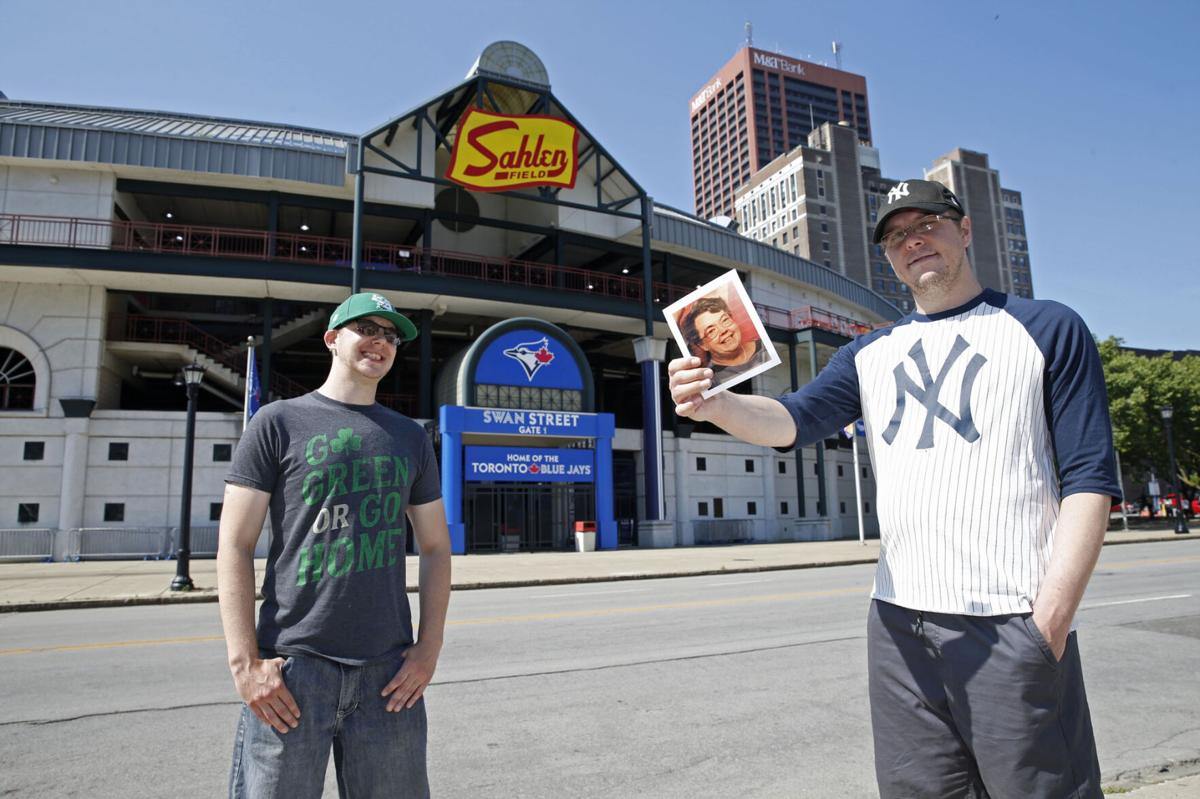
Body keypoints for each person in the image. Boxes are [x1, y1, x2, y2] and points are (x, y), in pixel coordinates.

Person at [669, 179, 1119, 798]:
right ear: (887, 258)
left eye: (928, 224)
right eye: (897, 236)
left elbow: (1089, 481)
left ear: (964, 230)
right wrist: (714, 405)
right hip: (899, 623)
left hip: (1011, 615)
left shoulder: (1046, 328)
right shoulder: (868, 354)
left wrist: (1050, 622)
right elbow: (792, 420)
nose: (915, 242)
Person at [217, 292, 451, 798]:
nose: (381, 342)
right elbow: (235, 544)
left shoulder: (409, 437)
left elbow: (434, 547)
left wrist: (428, 649)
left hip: (389, 675)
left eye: (390, 336)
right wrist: (245, 664)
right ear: (332, 339)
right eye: (367, 328)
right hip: (294, 670)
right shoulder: (277, 423)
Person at [680, 295, 771, 383]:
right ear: (702, 345)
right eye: (711, 331)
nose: (723, 330)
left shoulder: (767, 347)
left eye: (725, 320)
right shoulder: (711, 380)